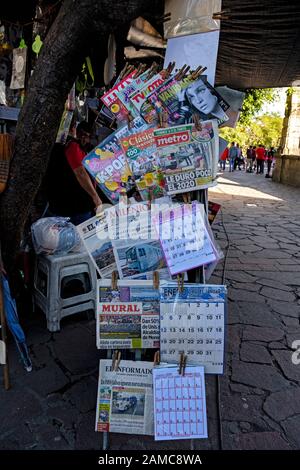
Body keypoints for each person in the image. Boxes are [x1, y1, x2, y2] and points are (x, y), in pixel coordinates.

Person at [45, 121, 103, 225]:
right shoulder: (72, 146)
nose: (87, 140)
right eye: (85, 136)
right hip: (74, 207)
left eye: (89, 137)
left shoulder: (76, 147)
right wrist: (96, 197)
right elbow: (80, 173)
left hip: (71, 205)